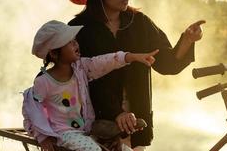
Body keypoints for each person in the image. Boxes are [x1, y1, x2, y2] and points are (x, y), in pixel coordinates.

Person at [68, 0, 205, 150]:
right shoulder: (78, 29)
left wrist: (187, 40)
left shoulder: (139, 23)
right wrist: (115, 112)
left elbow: (167, 63)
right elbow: (78, 77)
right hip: (94, 127)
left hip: (136, 122)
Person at [22, 20, 159, 151]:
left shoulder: (81, 68)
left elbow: (104, 61)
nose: (76, 44)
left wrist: (131, 57)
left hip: (87, 130)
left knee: (124, 149)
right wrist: (43, 137)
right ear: (53, 53)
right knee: (92, 149)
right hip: (63, 133)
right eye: (69, 43)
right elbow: (31, 109)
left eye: (74, 40)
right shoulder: (44, 81)